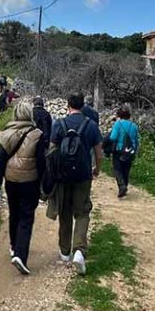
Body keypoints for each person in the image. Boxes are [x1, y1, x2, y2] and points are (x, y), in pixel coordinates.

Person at [47, 92, 103, 275]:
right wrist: (97, 170)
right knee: (82, 211)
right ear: (83, 106)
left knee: (65, 210)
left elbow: (52, 150)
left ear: (68, 105)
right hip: (83, 176)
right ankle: (79, 249)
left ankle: (65, 251)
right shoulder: (91, 125)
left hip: (63, 177)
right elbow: (98, 152)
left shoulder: (59, 124)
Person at [0, 100, 45, 275]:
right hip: (30, 182)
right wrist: (45, 184)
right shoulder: (37, 134)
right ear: (30, 115)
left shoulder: (7, 133)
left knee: (14, 213)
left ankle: (14, 247)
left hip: (11, 181)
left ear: (15, 114)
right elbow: (41, 162)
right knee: (26, 217)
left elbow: (0, 160)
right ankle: (21, 255)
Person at [108, 105, 140, 198]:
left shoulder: (118, 124)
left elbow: (113, 137)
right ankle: (125, 186)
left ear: (119, 115)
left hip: (119, 150)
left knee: (117, 169)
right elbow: (136, 140)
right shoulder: (134, 126)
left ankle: (122, 186)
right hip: (130, 151)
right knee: (126, 170)